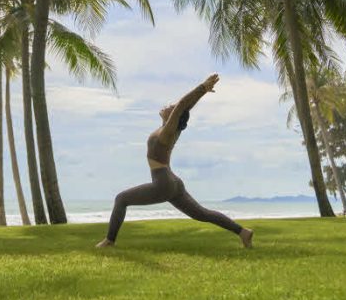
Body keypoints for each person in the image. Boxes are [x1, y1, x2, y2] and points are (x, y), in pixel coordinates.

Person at [96, 73, 253, 248]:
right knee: (202, 214)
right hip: (173, 182)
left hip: (163, 183)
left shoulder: (167, 133)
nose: (169, 106)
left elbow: (181, 106)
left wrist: (202, 87)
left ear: (174, 117)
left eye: (171, 107)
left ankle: (110, 241)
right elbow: (184, 107)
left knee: (121, 199)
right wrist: (201, 93)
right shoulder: (170, 130)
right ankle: (243, 232)